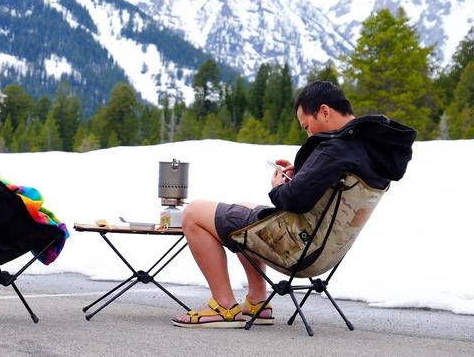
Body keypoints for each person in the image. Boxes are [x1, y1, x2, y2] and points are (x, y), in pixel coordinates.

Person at [173, 81, 416, 328]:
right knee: (242, 206)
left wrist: (279, 187)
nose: (309, 134)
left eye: (307, 126)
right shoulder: (368, 148)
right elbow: (324, 188)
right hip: (324, 250)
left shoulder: (336, 148)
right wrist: (303, 173)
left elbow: (293, 200)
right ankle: (257, 301)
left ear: (324, 111)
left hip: (297, 247)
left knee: (193, 213)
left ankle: (224, 305)